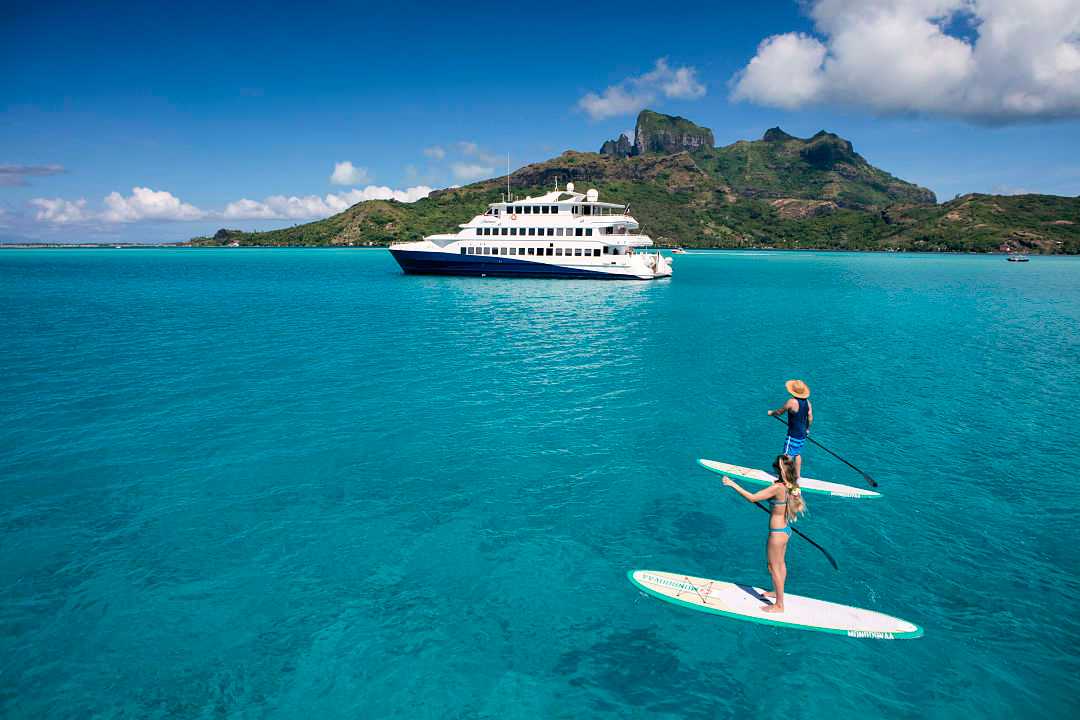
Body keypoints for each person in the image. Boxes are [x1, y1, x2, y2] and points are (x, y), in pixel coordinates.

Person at [722, 455, 807, 612]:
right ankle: (776, 592)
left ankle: (779, 605)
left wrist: (732, 484)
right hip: (786, 531)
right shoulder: (792, 485)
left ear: (779, 470)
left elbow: (753, 498)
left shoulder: (777, 488)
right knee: (781, 564)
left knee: (773, 567)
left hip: (776, 534)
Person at [767, 379, 812, 480]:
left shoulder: (791, 402)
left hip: (793, 435)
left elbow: (779, 412)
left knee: (786, 456)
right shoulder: (808, 403)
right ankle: (798, 475)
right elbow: (810, 417)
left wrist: (771, 413)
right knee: (797, 454)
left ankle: (786, 477)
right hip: (803, 434)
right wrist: (807, 429)